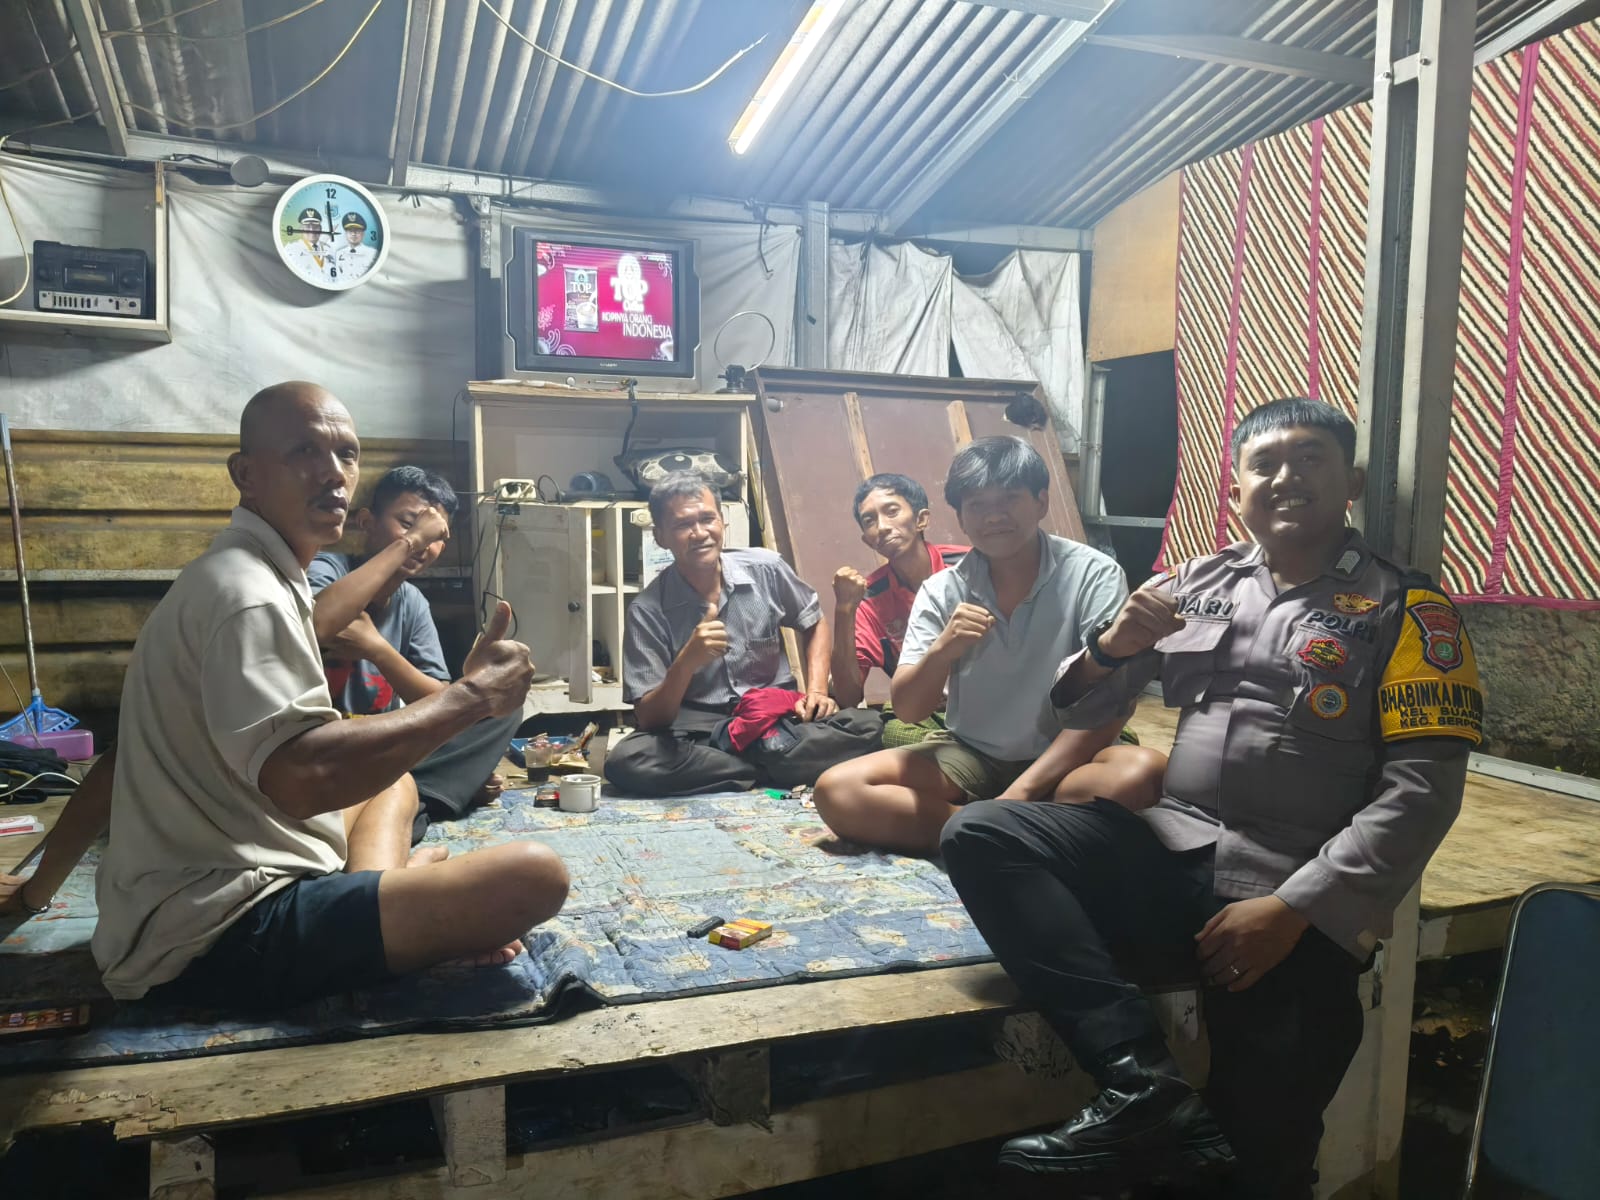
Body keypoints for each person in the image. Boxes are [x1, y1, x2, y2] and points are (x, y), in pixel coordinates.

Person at [941, 398, 1483, 1196]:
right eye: (1265, 464)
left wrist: (1295, 908)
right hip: (1174, 850)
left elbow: (1423, 793)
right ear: (1236, 491)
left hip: (1291, 889)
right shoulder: (1194, 584)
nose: (1286, 478)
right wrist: (1110, 647)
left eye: (1310, 459)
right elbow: (1079, 709)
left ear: (1352, 483)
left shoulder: (1408, 610)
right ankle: (1142, 1087)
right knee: (985, 834)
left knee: (1260, 1156)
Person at [88, 382, 569, 1010]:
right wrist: (473, 696)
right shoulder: (254, 595)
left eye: (346, 454)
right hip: (213, 935)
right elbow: (304, 779)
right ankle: (393, 905)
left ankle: (382, 893)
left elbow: (128, 760)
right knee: (535, 874)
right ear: (246, 475)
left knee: (394, 783)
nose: (334, 474)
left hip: (225, 861)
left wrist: (39, 886)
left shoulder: (259, 573)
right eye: (304, 452)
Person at [813, 437, 1165, 856]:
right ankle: (1016, 830)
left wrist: (1017, 796)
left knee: (1143, 772)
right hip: (973, 752)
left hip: (1069, 754)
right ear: (961, 518)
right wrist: (943, 650)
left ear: (1041, 501)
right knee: (838, 790)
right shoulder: (941, 590)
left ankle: (987, 827)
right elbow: (908, 710)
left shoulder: (1094, 574)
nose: (994, 516)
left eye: (1009, 499)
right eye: (977, 505)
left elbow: (1108, 707)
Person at [605, 472, 882, 797]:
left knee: (869, 726)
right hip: (701, 730)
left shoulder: (766, 569)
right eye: (682, 525)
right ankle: (765, 765)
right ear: (660, 537)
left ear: (722, 521)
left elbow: (814, 622)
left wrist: (817, 691)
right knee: (627, 761)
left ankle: (745, 764)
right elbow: (651, 719)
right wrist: (686, 662)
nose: (699, 533)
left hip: (774, 718)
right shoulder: (647, 610)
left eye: (707, 519)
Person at [308, 466, 517, 841]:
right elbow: (320, 622)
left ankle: (406, 797)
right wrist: (411, 540)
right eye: (408, 524)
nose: (422, 542)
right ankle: (421, 799)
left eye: (435, 535)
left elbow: (441, 701)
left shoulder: (413, 602)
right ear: (367, 522)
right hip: (325, 746)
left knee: (498, 702)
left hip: (384, 746)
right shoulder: (327, 570)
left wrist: (377, 649)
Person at [829, 473, 969, 747]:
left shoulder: (969, 565)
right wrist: (844, 610)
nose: (882, 527)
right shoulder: (870, 597)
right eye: (870, 520)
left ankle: (958, 751)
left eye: (892, 511)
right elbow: (848, 697)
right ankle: (962, 750)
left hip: (992, 697)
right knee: (892, 730)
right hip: (931, 711)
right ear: (867, 539)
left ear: (921, 519)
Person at [282, 207, 333, 283]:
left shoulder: (329, 250)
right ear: (301, 229)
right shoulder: (291, 249)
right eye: (307, 226)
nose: (311, 230)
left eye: (315, 226)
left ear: (320, 229)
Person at [333, 211, 377, 280]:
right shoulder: (339, 253)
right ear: (345, 234)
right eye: (350, 231)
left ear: (363, 234)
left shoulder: (372, 253)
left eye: (357, 231)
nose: (353, 234)